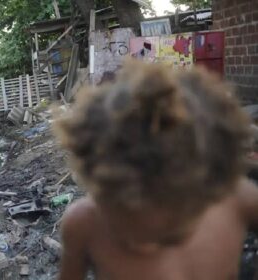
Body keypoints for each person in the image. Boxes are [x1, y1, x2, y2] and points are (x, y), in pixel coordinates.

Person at [54, 60, 258, 280]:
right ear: (97, 190)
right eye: (126, 227)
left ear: (209, 191)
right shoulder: (83, 225)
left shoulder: (239, 201)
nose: (144, 248)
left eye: (170, 237)